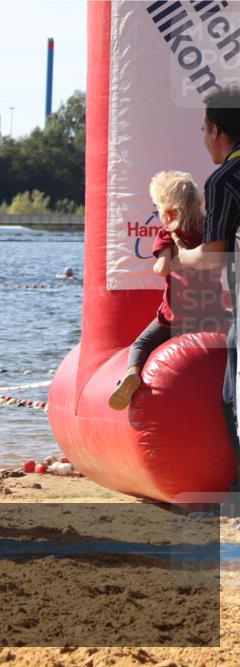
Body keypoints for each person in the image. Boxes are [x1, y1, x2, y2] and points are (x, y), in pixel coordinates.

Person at [109, 171, 227, 410]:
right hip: (211, 311)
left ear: (168, 211)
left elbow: (162, 268)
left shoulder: (169, 235)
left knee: (140, 344)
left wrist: (173, 261)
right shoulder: (209, 230)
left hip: (176, 316)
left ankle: (132, 373)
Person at [172, 85, 240, 491]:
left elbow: (215, 257)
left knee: (232, 401)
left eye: (202, 129)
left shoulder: (223, 179)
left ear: (216, 130)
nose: (203, 139)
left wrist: (182, 255)